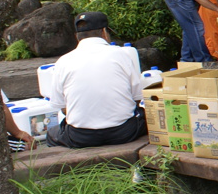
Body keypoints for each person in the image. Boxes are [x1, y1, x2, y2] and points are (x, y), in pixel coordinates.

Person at [46, 11, 147, 148]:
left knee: (52, 133)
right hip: (123, 132)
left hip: (81, 137)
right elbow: (136, 97)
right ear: (104, 32)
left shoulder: (62, 62)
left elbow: (63, 108)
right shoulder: (121, 55)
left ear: (77, 37)